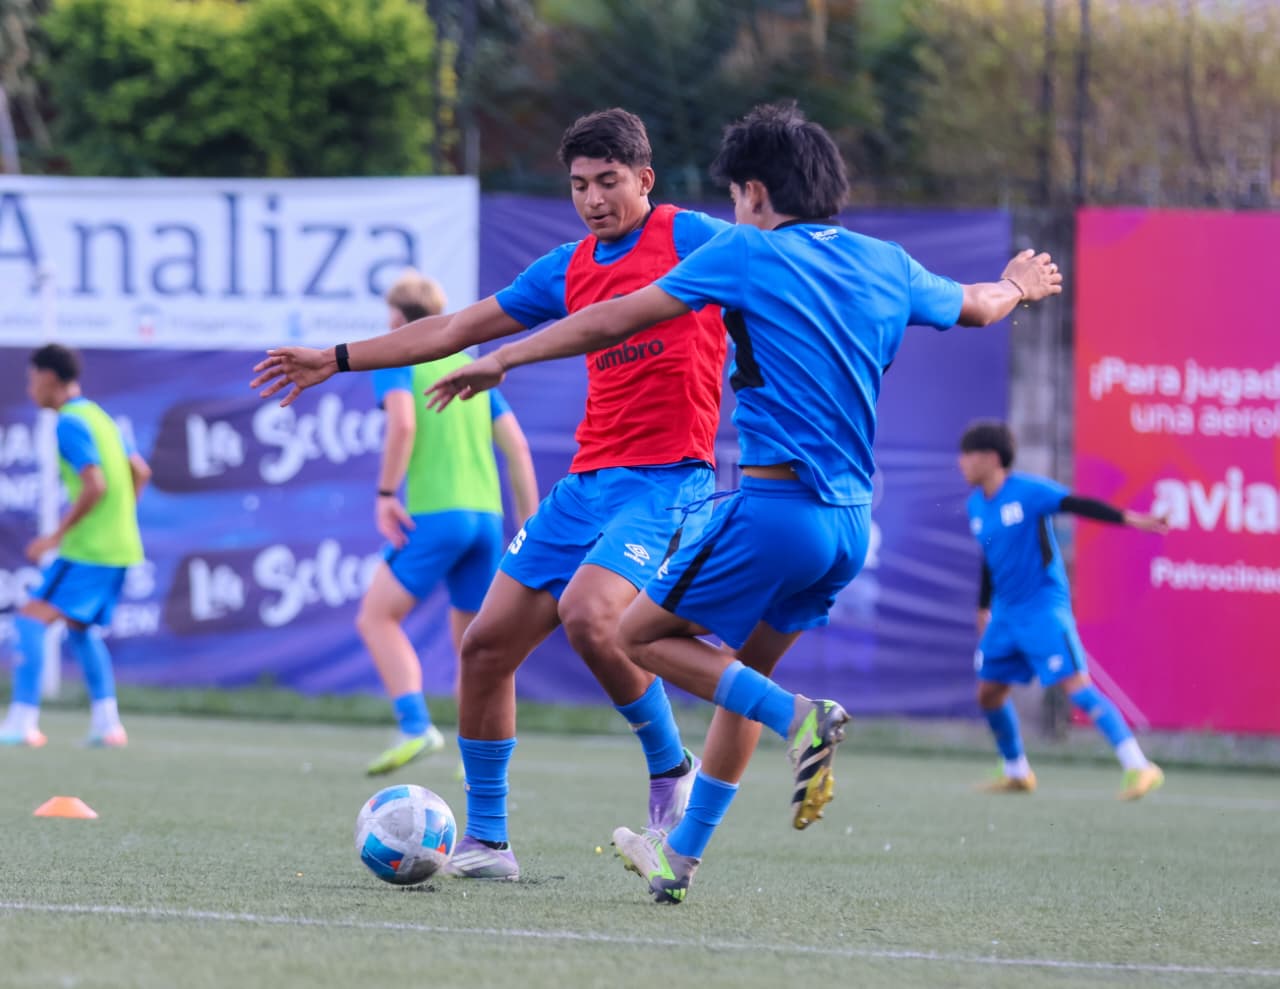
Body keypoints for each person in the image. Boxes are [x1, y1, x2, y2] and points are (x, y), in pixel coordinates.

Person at [424, 101, 1063, 904]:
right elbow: (977, 303)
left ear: (756, 195)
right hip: (848, 527)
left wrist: (504, 359)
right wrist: (1018, 283)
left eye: (734, 196)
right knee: (737, 671)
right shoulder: (887, 263)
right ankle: (678, 859)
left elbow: (616, 317)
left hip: (774, 509)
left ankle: (802, 718)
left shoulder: (747, 255)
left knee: (638, 633)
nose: (730, 211)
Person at [252, 108, 734, 879]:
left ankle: (670, 765)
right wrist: (335, 359)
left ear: (645, 179)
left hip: (668, 478)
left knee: (590, 612)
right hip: (585, 485)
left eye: (609, 182)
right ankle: (489, 841)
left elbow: (791, 269)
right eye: (579, 185)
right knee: (482, 647)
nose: (593, 199)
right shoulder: (567, 268)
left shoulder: (697, 240)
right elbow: (450, 329)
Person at [359, 270, 539, 776]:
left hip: (437, 515)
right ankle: (478, 756)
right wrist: (529, 526)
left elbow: (403, 422)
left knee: (375, 616)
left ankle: (416, 726)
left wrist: (386, 493)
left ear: (396, 319)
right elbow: (518, 449)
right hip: (486, 520)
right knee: (476, 647)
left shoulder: (398, 354)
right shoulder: (468, 364)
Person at [957, 420, 1167, 800]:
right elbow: (990, 559)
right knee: (988, 695)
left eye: (967, 455)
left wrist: (1131, 519)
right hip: (1005, 616)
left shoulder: (1028, 492)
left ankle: (1140, 766)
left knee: (1077, 690)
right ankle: (1017, 771)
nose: (961, 463)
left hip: (1042, 610)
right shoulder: (975, 505)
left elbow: (1076, 503)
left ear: (989, 458)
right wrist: (983, 607)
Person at [0, 344, 150, 748]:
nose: (30, 390)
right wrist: (121, 518)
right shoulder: (101, 417)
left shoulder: (68, 422)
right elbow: (141, 470)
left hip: (89, 550)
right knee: (82, 630)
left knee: (30, 620)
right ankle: (107, 724)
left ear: (49, 378)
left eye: (32, 380)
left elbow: (96, 484)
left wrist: (55, 535)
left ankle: (21, 721)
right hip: (121, 548)